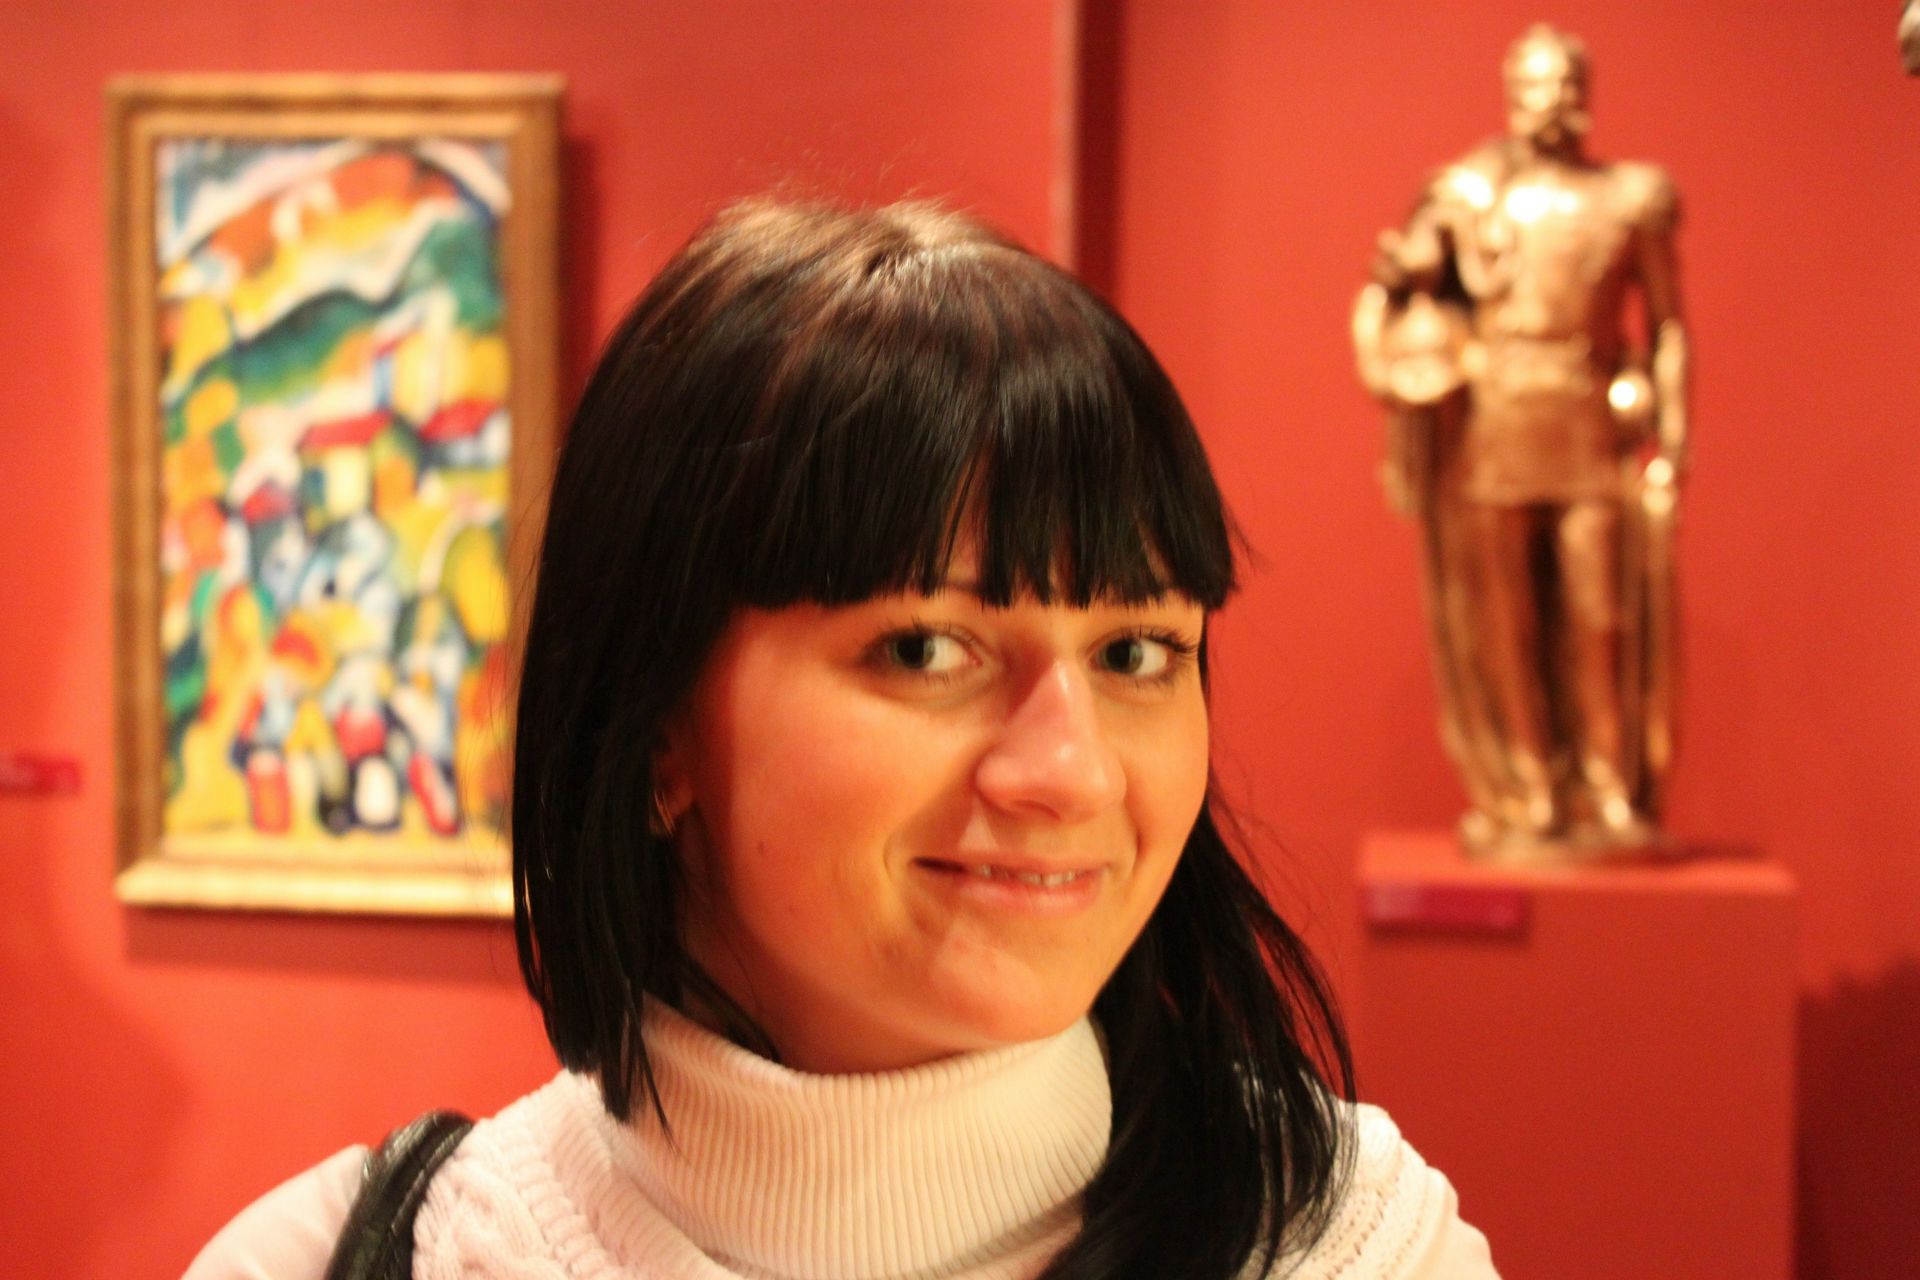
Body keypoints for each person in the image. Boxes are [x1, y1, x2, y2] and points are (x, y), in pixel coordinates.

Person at [185, 199, 1499, 1279]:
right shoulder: (344, 1261)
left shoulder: (1362, 1252)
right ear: (656, 729)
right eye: (925, 649)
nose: (1074, 770)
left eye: (1136, 653)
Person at [1354, 24, 1689, 853]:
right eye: (1536, 85)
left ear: (1587, 93)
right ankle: (1533, 788)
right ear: (1512, 96)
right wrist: (1404, 281)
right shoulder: (1471, 195)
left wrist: (1672, 437)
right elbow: (1415, 279)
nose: (1553, 100)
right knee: (1504, 624)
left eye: (1567, 83)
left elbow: (1668, 326)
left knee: (1599, 616)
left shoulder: (1629, 200)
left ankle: (1609, 788)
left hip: (1585, 423)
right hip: (1492, 428)